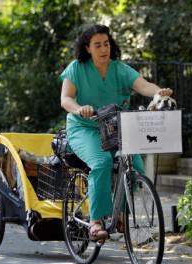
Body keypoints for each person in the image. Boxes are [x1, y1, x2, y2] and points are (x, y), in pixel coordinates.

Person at [60, 24, 172, 241]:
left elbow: (143, 85)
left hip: (118, 127)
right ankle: (96, 220)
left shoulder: (119, 69)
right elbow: (65, 99)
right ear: (88, 48)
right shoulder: (77, 68)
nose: (104, 49)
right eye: (98, 45)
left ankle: (119, 213)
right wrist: (79, 109)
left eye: (106, 43)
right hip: (85, 127)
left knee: (135, 167)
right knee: (101, 162)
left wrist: (158, 92)